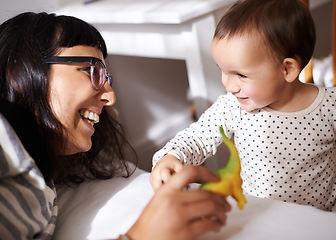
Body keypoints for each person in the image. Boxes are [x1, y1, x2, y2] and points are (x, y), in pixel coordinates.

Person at [0, 12, 231, 240]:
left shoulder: (38, 172)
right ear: (18, 71)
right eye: (92, 70)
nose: (111, 97)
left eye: (106, 78)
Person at [150, 0, 336, 214]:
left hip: (326, 221)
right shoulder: (233, 107)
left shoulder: (334, 105)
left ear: (287, 69)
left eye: (241, 75)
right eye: (223, 70)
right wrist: (173, 156)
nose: (229, 85)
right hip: (261, 217)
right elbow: (198, 136)